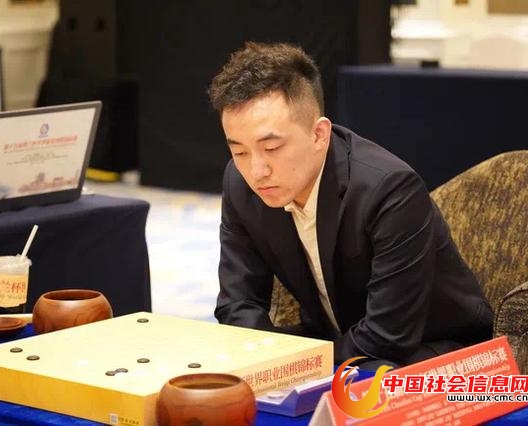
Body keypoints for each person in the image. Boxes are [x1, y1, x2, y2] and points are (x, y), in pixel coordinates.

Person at [208, 41, 493, 368]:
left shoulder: (389, 190)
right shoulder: (240, 183)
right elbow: (237, 304)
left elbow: (388, 338)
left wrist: (297, 367)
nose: (256, 171)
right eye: (239, 151)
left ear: (319, 134)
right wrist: (269, 363)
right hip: (335, 342)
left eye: (271, 148)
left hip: (434, 349)